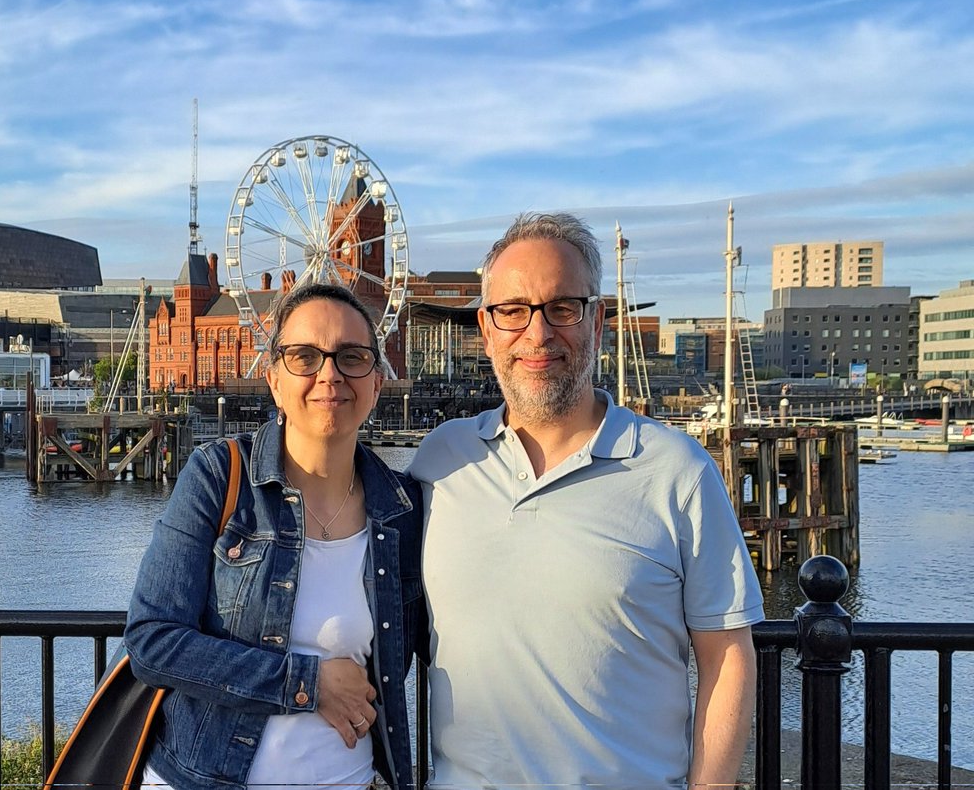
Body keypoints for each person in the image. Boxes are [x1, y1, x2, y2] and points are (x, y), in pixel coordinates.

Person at [410, 211, 764, 790]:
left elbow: (727, 654)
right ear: (486, 328)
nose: (537, 334)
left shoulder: (677, 471)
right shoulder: (442, 461)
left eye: (562, 308)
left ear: (596, 321)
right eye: (513, 310)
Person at [125, 282, 423, 790]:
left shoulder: (403, 511)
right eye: (305, 357)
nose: (329, 374)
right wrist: (308, 685)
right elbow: (152, 639)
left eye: (351, 357)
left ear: (377, 383)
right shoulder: (219, 477)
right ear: (274, 381)